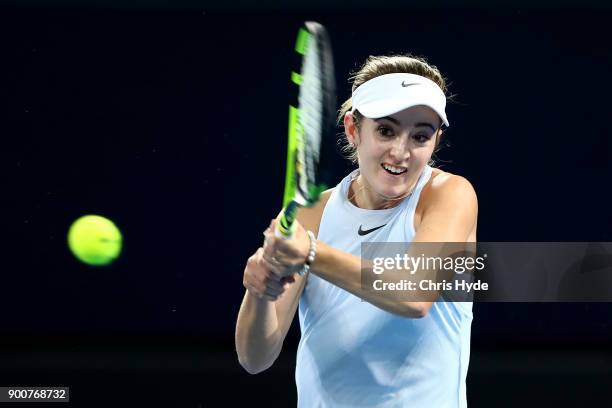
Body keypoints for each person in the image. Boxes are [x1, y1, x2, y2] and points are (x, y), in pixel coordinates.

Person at [235, 54, 478, 407]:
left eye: (420, 136)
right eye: (386, 130)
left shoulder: (449, 195)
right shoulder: (311, 215)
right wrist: (259, 292)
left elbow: (413, 295)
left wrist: (311, 254)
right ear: (353, 129)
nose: (401, 152)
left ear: (436, 141)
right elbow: (255, 359)